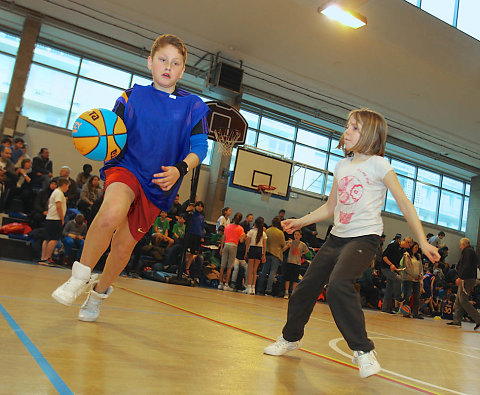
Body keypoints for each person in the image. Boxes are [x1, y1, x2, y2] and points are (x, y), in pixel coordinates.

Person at [263, 108, 439, 379]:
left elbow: (404, 203)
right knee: (305, 288)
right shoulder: (342, 166)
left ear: (369, 134)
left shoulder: (380, 165)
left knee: (338, 285)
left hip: (364, 238)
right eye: (347, 126)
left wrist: (422, 241)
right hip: (336, 237)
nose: (347, 131)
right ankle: (291, 338)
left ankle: (364, 350)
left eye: (354, 127)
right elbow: (331, 206)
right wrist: (301, 222)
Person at [51, 34, 209, 322]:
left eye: (176, 63)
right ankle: (79, 275)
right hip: (127, 167)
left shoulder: (193, 106)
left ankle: (98, 293)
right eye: (162, 59)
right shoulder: (129, 97)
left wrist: (180, 169)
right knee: (111, 212)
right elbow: (111, 132)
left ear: (182, 70)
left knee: (124, 246)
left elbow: (200, 147)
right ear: (150, 62)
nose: (168, 67)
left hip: (161, 180)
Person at [446, 238, 480, 330]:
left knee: (463, 300)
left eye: (460, 245)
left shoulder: (468, 251)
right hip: (467, 278)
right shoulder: (470, 251)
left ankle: (478, 319)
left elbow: (467, 266)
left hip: (466, 279)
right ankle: (457, 321)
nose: (460, 247)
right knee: (458, 300)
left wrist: (461, 277)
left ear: (464, 244)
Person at [39, 177, 70, 265]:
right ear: (64, 185)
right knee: (53, 239)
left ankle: (43, 257)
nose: (67, 188)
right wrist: (62, 218)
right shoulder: (59, 193)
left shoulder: (55, 192)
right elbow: (58, 206)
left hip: (50, 218)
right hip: (55, 219)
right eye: (67, 186)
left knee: (47, 239)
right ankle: (47, 258)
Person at [381, 236, 413, 313]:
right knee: (398, 279)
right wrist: (391, 265)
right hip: (385, 268)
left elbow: (396, 262)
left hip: (392, 270)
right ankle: (398, 297)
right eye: (409, 246)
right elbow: (384, 257)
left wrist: (398, 269)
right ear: (406, 242)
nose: (409, 247)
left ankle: (385, 308)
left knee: (389, 289)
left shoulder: (402, 250)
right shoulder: (393, 245)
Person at [257, 216, 287, 296]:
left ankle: (259, 289)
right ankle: (268, 290)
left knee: (264, 271)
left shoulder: (268, 230)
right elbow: (283, 244)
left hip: (267, 253)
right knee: (272, 272)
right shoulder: (280, 233)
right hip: (276, 254)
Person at [218, 212, 245, 291]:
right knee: (230, 266)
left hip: (226, 245)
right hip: (233, 246)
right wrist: (244, 237)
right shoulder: (240, 229)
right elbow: (241, 241)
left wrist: (221, 247)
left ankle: (220, 283)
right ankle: (226, 284)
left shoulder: (228, 226)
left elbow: (224, 237)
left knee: (222, 266)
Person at [400, 242, 424, 319]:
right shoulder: (406, 255)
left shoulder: (418, 256)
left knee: (417, 297)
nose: (417, 249)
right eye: (415, 247)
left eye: (417, 247)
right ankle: (406, 312)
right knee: (407, 296)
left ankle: (415, 313)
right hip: (409, 278)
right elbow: (407, 267)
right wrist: (414, 275)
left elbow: (421, 268)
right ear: (412, 248)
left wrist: (420, 275)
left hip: (417, 280)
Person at [283, 230, 309, 299]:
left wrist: (302, 254)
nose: (296, 236)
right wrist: (287, 246)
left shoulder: (302, 244)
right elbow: (283, 249)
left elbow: (307, 250)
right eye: (295, 234)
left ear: (300, 236)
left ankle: (293, 292)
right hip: (290, 261)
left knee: (295, 279)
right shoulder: (290, 242)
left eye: (298, 235)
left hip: (297, 263)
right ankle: (286, 292)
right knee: (287, 278)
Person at [244, 216, 267, 295]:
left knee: (250, 270)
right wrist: (263, 255)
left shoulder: (251, 232)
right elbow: (264, 245)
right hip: (259, 250)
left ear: (255, 224)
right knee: (255, 270)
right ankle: (253, 288)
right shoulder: (263, 233)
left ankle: (249, 287)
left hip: (252, 249)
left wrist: (246, 252)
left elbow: (248, 243)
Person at [185, 201, 206, 273]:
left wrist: (202, 236)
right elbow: (185, 217)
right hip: (191, 234)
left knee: (193, 252)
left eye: (201, 206)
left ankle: (187, 267)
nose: (199, 207)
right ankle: (183, 265)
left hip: (198, 235)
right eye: (198, 206)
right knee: (186, 250)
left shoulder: (202, 217)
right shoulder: (192, 214)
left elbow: (202, 226)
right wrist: (188, 210)